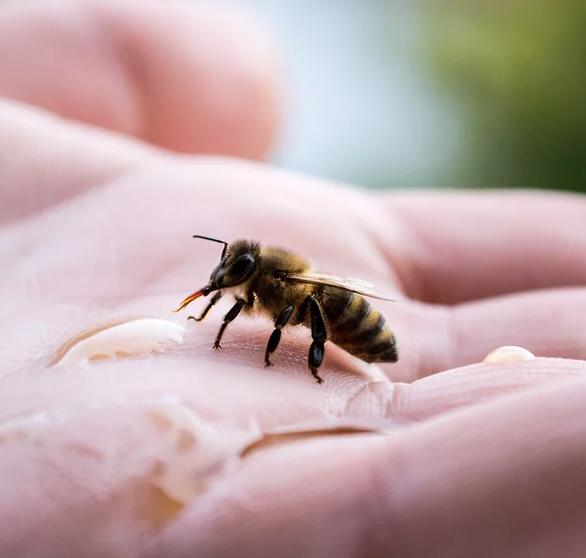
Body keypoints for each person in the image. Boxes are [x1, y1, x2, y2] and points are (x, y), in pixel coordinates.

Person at [1, 2, 586, 557]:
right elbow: (230, 296)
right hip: (326, 309)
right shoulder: (251, 279)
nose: (228, 280)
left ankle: (314, 362)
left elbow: (286, 310)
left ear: (259, 272)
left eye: (235, 273)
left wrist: (294, 356)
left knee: (311, 316)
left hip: (346, 320)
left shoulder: (283, 287)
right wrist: (209, 309)